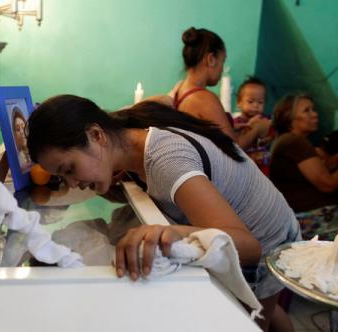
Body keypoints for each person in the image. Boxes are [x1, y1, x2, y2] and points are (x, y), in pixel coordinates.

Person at [27, 94, 299, 331]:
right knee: (272, 309)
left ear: (96, 135)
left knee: (251, 318)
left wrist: (169, 232)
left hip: (266, 237)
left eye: (70, 169)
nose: (73, 183)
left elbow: (249, 246)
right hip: (269, 217)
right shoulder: (126, 131)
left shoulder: (166, 161)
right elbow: (163, 100)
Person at [152, 27, 271, 150]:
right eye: (222, 61)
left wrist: (236, 128)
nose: (222, 69)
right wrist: (257, 129)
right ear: (211, 59)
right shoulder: (204, 99)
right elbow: (234, 148)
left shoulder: (179, 88)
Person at [270, 93, 338, 241]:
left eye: (313, 109)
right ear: (290, 119)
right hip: (312, 218)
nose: (314, 114)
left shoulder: (287, 141)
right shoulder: (294, 142)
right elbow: (328, 184)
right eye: (306, 111)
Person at [234, 76, 274, 175]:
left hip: (263, 169)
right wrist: (250, 125)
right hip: (243, 169)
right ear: (239, 102)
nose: (256, 105)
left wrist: (268, 137)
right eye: (250, 101)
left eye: (260, 102)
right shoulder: (236, 123)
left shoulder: (266, 121)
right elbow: (236, 142)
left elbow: (272, 137)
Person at [11, 106, 33, 173]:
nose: (21, 131)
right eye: (17, 129)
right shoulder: (18, 159)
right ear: (14, 134)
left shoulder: (38, 153)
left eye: (23, 127)